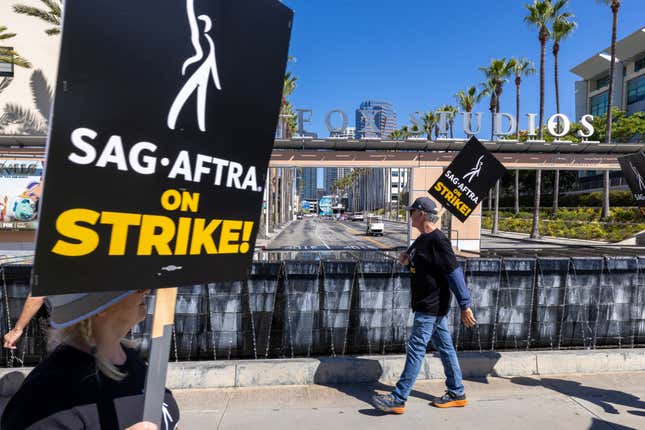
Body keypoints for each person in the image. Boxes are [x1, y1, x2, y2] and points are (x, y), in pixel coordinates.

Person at [1, 290, 180, 429]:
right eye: (137, 287)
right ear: (98, 304)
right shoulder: (50, 389)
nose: (147, 291)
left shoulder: (131, 359)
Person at [372, 196, 477, 414]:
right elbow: (420, 267)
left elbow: (454, 272)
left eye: (411, 212)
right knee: (446, 349)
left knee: (416, 349)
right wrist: (407, 262)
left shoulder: (438, 240)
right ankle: (457, 392)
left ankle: (399, 398)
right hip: (429, 305)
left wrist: (465, 304)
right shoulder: (421, 240)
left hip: (430, 306)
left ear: (421, 215)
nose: (409, 215)